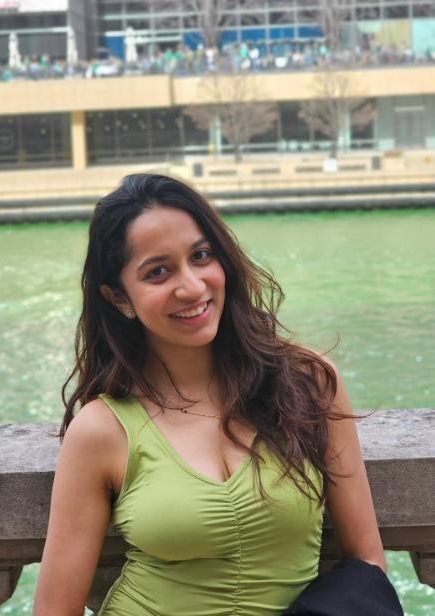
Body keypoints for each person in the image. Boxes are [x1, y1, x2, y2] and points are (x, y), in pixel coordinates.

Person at [33, 173, 386, 615]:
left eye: (201, 256)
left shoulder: (308, 384)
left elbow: (367, 562)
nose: (193, 287)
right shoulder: (103, 430)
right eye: (158, 272)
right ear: (120, 298)